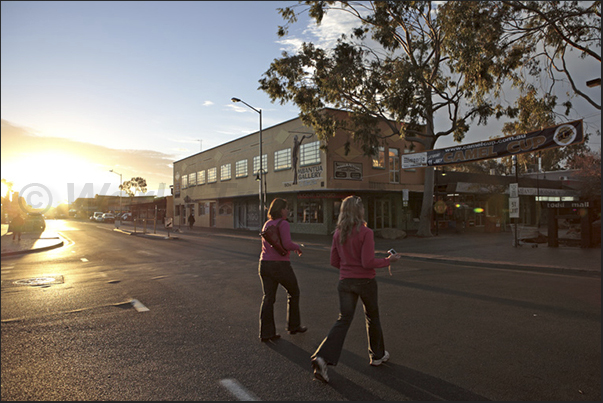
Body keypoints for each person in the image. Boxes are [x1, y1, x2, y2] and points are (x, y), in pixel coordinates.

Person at [311, 195, 401, 383]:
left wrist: (348, 269)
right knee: (372, 316)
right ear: (359, 211)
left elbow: (334, 261)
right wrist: (388, 261)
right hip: (365, 282)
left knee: (343, 319)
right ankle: (377, 355)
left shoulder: (337, 233)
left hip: (345, 282)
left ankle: (322, 356)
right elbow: (367, 262)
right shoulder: (365, 232)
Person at [258, 198, 307, 342]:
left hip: (264, 264)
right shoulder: (283, 223)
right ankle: (293, 325)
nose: (288, 210)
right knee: (293, 292)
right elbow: (286, 244)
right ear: (280, 210)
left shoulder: (267, 224)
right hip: (280, 265)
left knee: (268, 298)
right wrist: (297, 247)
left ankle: (266, 333)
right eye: (286, 208)